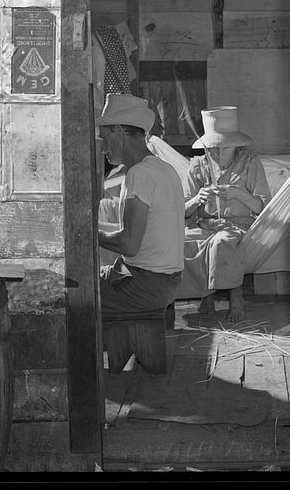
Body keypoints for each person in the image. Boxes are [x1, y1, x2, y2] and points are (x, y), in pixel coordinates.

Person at [176, 107, 271, 322]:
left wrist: (237, 194)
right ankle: (205, 292)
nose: (217, 154)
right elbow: (181, 210)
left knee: (221, 244)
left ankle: (235, 295)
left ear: (235, 145)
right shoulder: (197, 166)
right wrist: (197, 199)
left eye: (223, 147)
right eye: (212, 148)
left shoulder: (250, 164)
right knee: (179, 242)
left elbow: (263, 207)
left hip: (238, 227)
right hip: (203, 225)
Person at [96, 93, 185, 314]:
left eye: (105, 138)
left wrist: (87, 235)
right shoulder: (164, 169)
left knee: (69, 296)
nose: (104, 148)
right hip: (163, 283)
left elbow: (129, 245)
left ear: (118, 131)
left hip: (145, 285)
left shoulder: (140, 174)